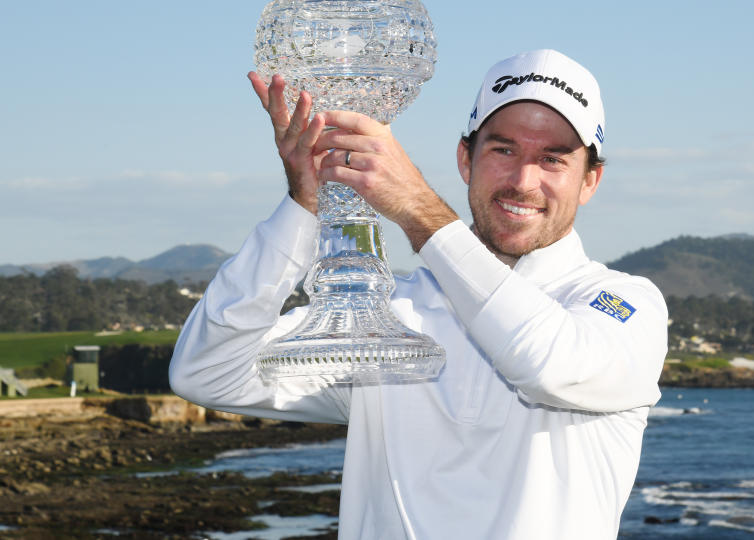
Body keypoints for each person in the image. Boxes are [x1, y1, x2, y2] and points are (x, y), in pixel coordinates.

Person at [169, 49, 667, 540]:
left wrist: (417, 209)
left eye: (553, 159)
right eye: (504, 150)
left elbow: (547, 364)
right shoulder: (388, 316)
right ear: (465, 159)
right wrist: (305, 204)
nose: (522, 181)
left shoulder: (625, 306)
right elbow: (209, 373)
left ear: (590, 182)